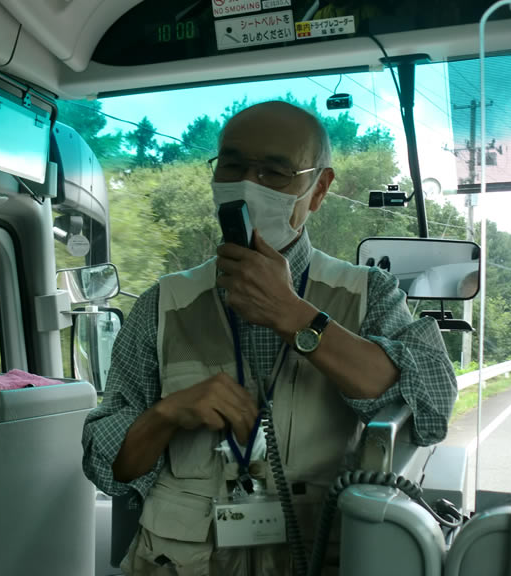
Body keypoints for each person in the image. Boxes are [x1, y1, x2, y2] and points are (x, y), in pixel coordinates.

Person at [82, 101, 457, 575]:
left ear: (318, 189)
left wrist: (293, 315)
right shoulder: (164, 302)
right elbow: (109, 469)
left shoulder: (368, 294)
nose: (248, 184)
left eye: (275, 172)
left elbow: (432, 407)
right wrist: (167, 414)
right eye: (233, 166)